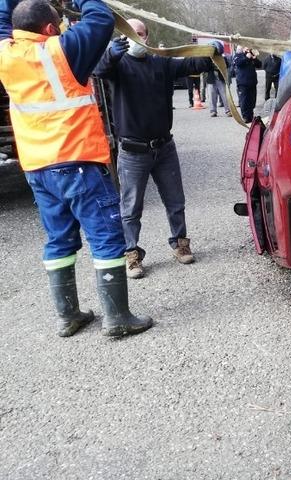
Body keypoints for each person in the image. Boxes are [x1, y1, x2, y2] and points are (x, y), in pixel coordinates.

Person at [0, 0, 152, 337]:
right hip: (78, 161)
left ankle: (68, 316)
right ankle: (117, 318)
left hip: (38, 168)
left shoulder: (5, 53)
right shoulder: (64, 51)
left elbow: (2, 15)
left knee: (58, 240)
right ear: (50, 29)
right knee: (107, 238)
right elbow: (100, 16)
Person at [93, 19, 219, 279]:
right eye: (129, 33)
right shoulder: (118, 65)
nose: (135, 38)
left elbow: (191, 64)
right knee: (131, 208)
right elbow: (100, 69)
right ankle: (132, 254)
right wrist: (111, 55)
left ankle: (180, 243)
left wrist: (212, 50)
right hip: (132, 152)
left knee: (175, 202)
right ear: (121, 37)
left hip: (164, 148)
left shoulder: (161, 62)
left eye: (139, 33)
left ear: (147, 37)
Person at [232, 45, 260, 123]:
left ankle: (250, 116)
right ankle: (245, 116)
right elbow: (238, 63)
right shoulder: (238, 56)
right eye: (246, 48)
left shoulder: (251, 56)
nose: (248, 49)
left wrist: (255, 59)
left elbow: (259, 65)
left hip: (252, 82)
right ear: (242, 49)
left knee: (252, 100)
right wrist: (247, 58)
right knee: (244, 101)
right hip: (243, 83)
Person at [206, 42, 229, 117]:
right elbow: (205, 67)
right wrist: (212, 63)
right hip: (211, 79)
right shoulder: (208, 58)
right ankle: (213, 111)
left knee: (224, 95)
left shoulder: (222, 57)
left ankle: (228, 110)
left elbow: (227, 65)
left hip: (220, 78)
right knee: (212, 96)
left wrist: (220, 63)